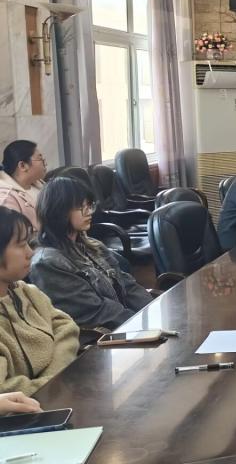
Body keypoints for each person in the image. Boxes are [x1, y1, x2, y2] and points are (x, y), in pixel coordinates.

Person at [29, 177, 153, 331]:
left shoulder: (92, 245)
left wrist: (153, 311)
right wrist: (142, 325)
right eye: (81, 207)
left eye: (89, 205)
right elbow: (97, 311)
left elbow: (128, 286)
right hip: (99, 337)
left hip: (125, 326)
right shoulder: (47, 262)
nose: (89, 212)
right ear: (59, 211)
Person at [0, 207, 79, 395]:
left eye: (28, 243)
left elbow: (66, 327)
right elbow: (4, 390)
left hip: (60, 392)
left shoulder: (26, 292)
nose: (30, 252)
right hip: (30, 409)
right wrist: (51, 385)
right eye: (21, 245)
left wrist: (52, 378)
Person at [0, 140, 47, 230]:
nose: (46, 164)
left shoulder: (40, 185)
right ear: (22, 165)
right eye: (40, 159)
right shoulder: (6, 198)